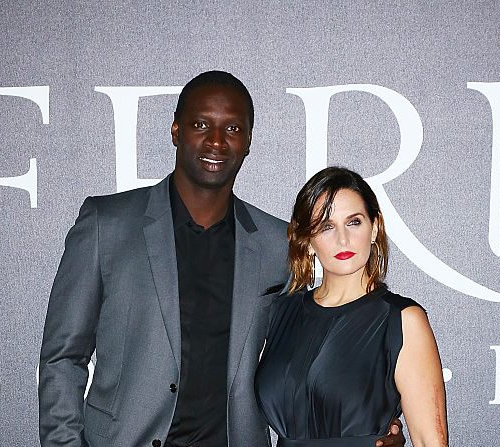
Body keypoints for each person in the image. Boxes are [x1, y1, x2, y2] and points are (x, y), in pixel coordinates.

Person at [39, 71, 405, 447]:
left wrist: (372, 428)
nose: (216, 141)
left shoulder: (277, 243)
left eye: (232, 129)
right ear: (176, 131)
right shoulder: (107, 224)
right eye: (201, 124)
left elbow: (313, 354)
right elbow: (62, 358)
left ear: (247, 142)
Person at [255, 166, 449, 447]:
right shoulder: (278, 313)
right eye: (326, 226)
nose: (342, 239)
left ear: (375, 227)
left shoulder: (402, 321)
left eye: (354, 222)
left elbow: (431, 441)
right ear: (308, 241)